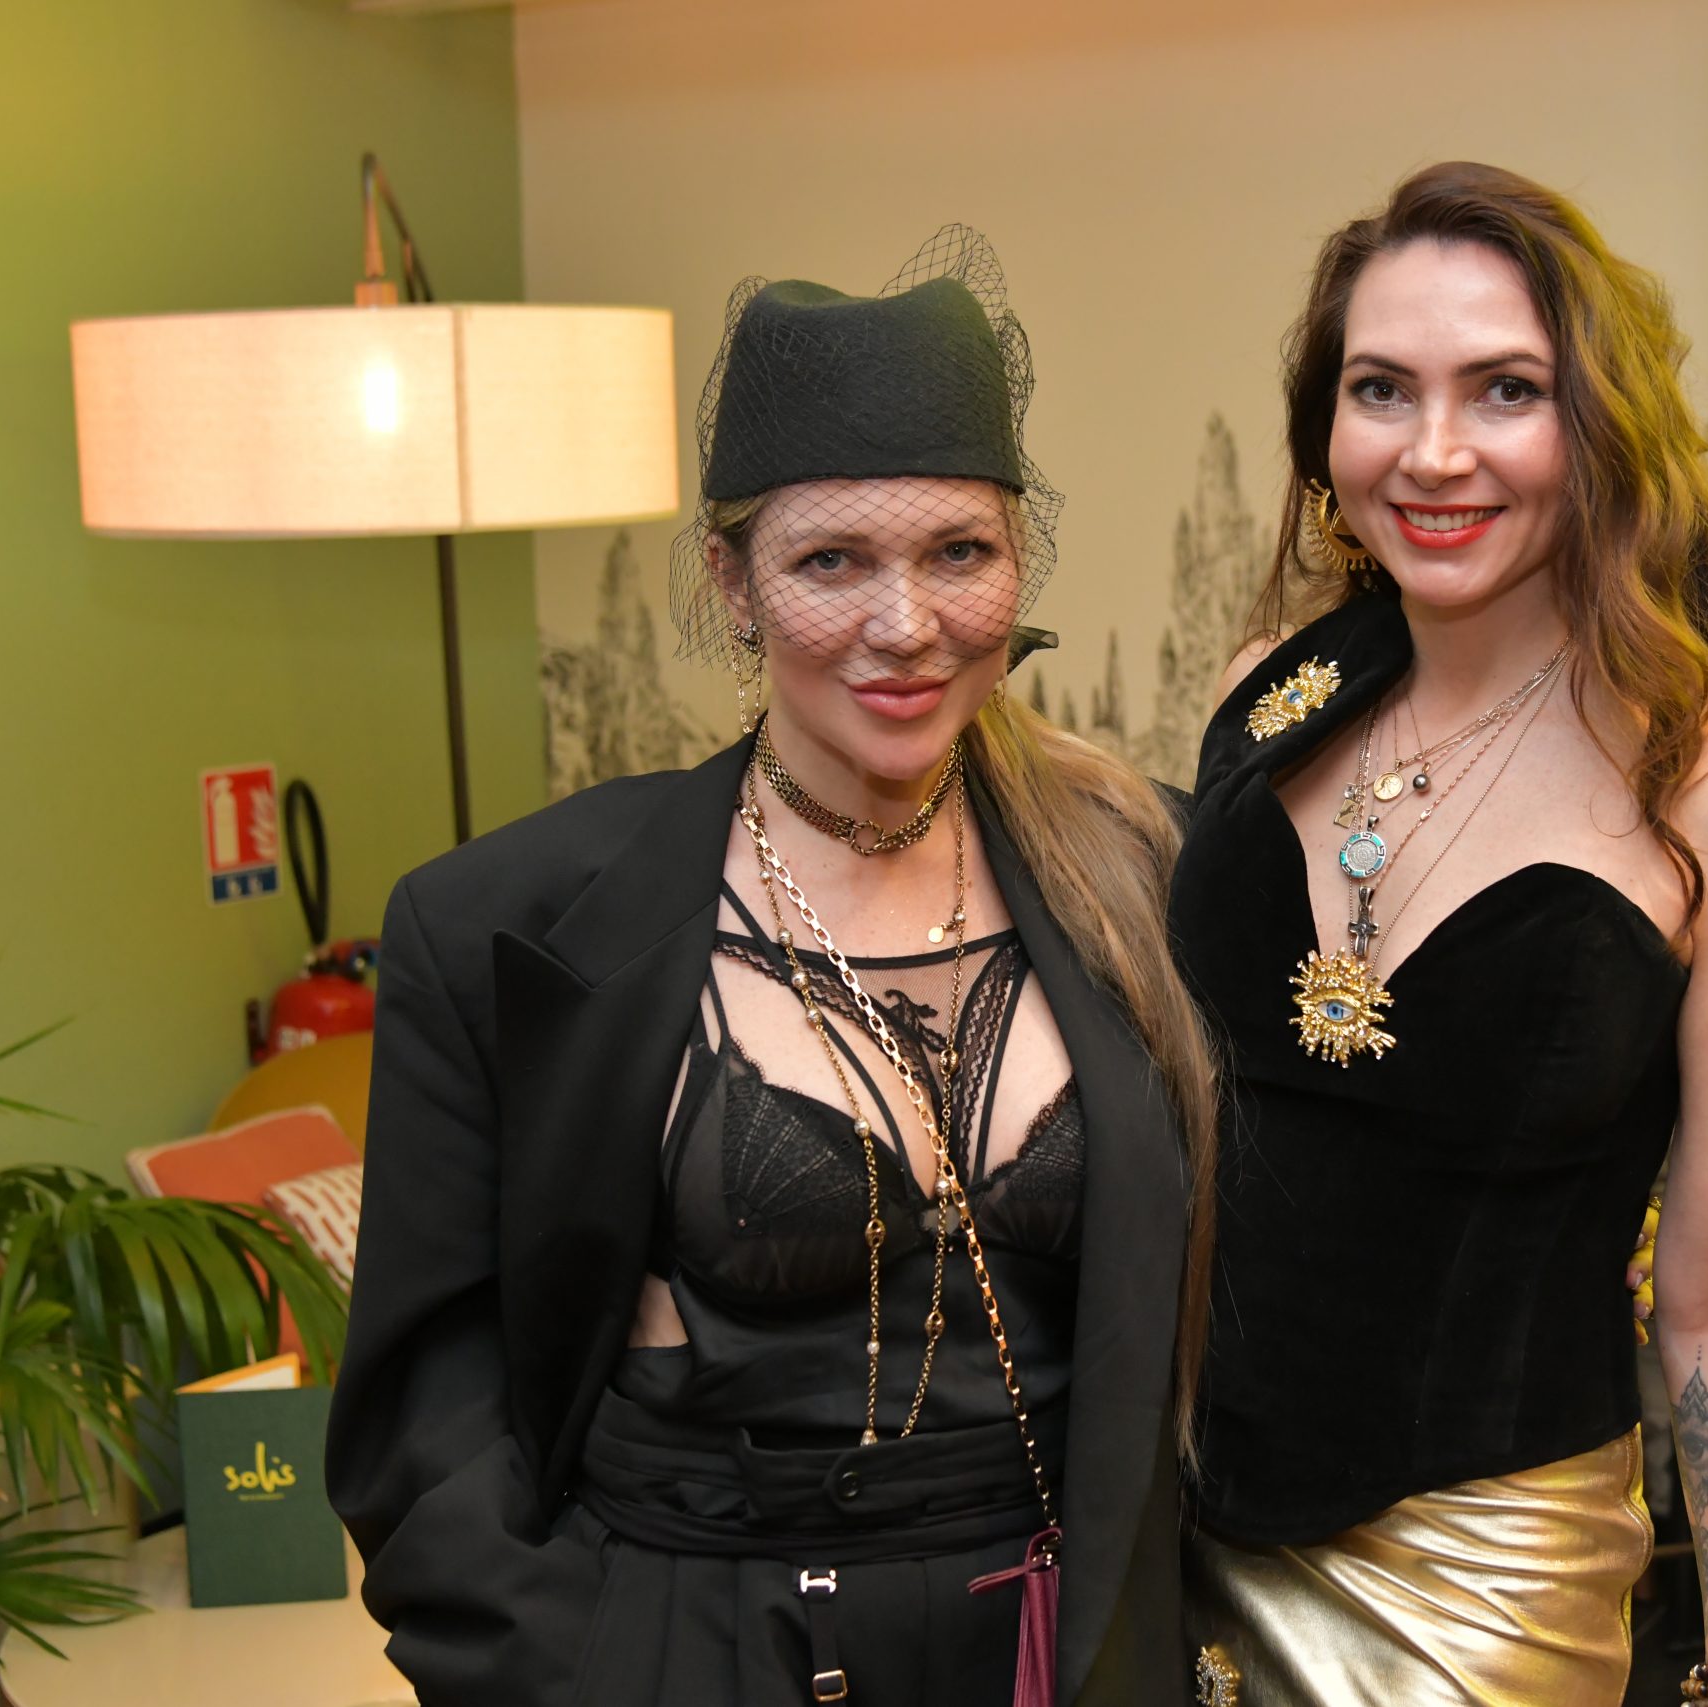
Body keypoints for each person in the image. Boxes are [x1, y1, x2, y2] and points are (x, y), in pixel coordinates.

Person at [328, 228, 1217, 1707]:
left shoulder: (1147, 875)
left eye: (959, 553)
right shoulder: (501, 926)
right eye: (830, 562)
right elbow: (426, 1418)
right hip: (701, 1651)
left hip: (1070, 1652)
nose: (905, 627)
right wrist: (581, 1672)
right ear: (731, 582)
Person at [1173, 163, 1708, 1706]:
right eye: (1381, 389)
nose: (1434, 452)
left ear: (1602, 425)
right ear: (1323, 430)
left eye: (1505, 390)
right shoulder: (1265, 694)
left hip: (1480, 1578)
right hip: (1185, 1522)